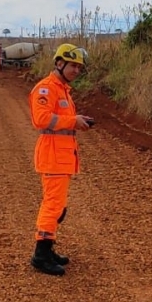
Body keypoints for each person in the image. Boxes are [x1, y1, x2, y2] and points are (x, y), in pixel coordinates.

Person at [28, 43, 93, 276]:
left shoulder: (63, 89)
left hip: (62, 156)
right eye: (72, 65)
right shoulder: (46, 89)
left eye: (79, 67)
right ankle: (41, 255)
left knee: (58, 206)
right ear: (59, 63)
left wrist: (78, 122)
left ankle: (48, 247)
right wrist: (73, 121)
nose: (76, 70)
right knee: (53, 205)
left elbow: (63, 121)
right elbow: (41, 119)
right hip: (53, 156)